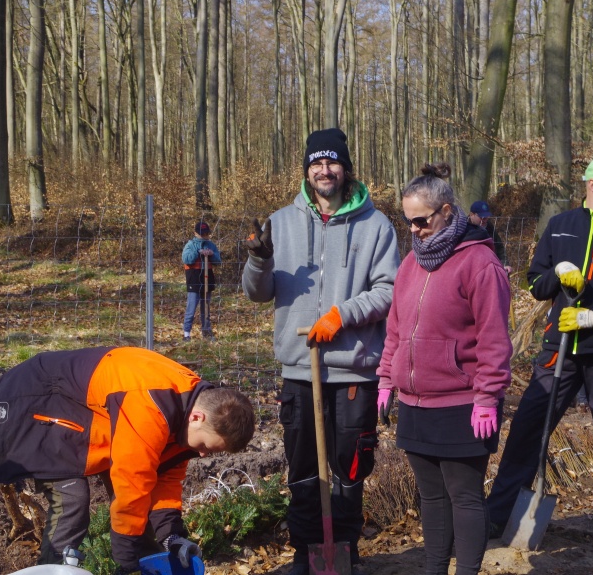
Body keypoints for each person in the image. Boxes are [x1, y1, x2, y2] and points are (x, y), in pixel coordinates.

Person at [241, 127, 400, 575]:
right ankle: (305, 554)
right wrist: (258, 259)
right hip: (299, 370)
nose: (324, 170)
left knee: (349, 470)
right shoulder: (281, 222)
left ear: (346, 168)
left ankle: (343, 552)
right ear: (307, 169)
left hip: (353, 371)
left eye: (332, 163)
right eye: (316, 163)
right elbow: (258, 293)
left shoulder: (375, 225)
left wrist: (341, 315)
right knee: (304, 470)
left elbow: (390, 290)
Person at [486, 153, 593, 561]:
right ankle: (496, 516)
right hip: (557, 352)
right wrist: (557, 275)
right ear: (592, 184)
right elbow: (535, 283)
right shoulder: (561, 226)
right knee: (527, 433)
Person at [0, 346, 256, 573]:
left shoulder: (189, 406)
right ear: (198, 418)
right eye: (205, 446)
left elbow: (164, 478)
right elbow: (132, 481)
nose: (202, 454)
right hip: (35, 398)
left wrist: (171, 537)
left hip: (79, 411)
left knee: (138, 510)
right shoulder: (152, 403)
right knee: (72, 498)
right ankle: (54, 565)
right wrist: (127, 561)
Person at [377, 164, 512, 575]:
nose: (414, 229)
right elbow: (396, 330)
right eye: (408, 221)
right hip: (417, 403)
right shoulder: (409, 266)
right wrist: (386, 379)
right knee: (431, 498)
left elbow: (494, 340)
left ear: (447, 211)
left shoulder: (480, 263)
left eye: (421, 220)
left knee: (465, 496)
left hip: (463, 402)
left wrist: (487, 397)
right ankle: (434, 569)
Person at [182, 221, 222, 342]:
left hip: (207, 279)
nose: (204, 236)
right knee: (192, 307)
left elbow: (218, 261)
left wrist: (211, 254)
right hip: (194, 279)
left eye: (206, 233)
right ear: (195, 233)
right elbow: (186, 259)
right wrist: (198, 251)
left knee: (206, 307)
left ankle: (206, 331)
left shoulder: (211, 245)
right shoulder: (190, 245)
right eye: (201, 234)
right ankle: (186, 333)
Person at [468, 200, 511, 273]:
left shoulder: (489, 227)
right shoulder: (463, 228)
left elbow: (499, 246)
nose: (484, 220)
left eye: (487, 217)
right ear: (472, 215)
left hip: (487, 268)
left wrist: (504, 264)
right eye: (481, 217)